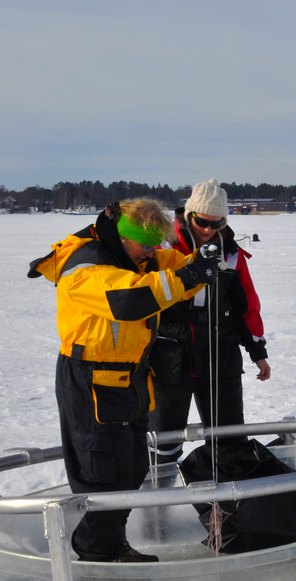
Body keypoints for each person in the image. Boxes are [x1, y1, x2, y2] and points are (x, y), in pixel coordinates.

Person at [28, 199, 220, 562]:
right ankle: (98, 552)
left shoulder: (135, 257)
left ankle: (112, 544)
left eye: (154, 246)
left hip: (128, 377)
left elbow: (175, 269)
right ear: (124, 237)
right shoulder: (85, 264)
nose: (151, 252)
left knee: (132, 466)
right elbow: (131, 299)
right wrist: (191, 277)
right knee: (102, 471)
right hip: (90, 378)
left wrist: (203, 259)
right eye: (145, 244)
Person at [148, 180, 270, 466]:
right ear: (189, 215)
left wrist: (258, 352)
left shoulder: (232, 254)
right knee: (162, 442)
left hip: (220, 354)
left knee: (229, 439)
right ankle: (158, 507)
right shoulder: (162, 249)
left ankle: (227, 507)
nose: (208, 230)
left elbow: (247, 305)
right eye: (202, 221)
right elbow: (139, 299)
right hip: (169, 358)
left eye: (216, 224)